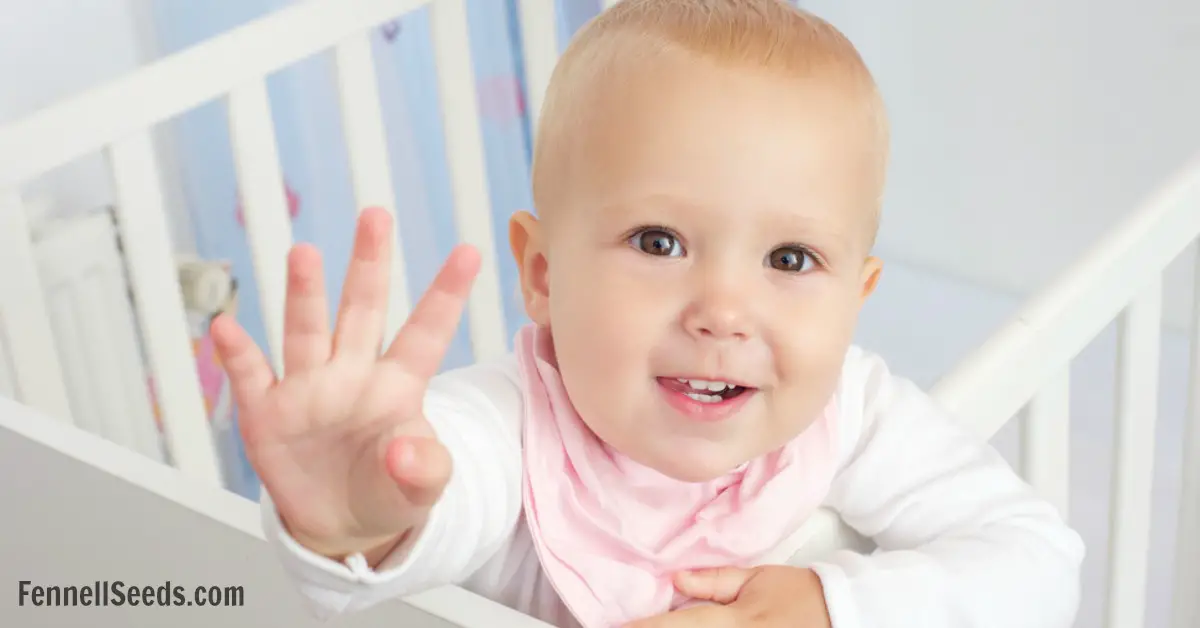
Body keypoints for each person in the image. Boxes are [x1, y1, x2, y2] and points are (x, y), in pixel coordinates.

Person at [210, 1, 1085, 626]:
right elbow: (447, 473)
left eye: (790, 259)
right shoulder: (511, 424)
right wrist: (370, 516)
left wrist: (831, 604)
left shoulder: (852, 414)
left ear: (856, 299)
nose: (723, 311)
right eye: (659, 242)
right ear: (544, 274)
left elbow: (1038, 562)